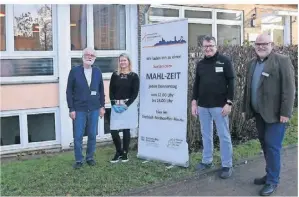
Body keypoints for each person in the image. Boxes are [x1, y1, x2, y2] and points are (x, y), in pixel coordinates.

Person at [242, 34, 295, 196]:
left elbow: (289, 89)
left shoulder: (282, 61)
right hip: (259, 114)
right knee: (265, 145)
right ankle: (269, 174)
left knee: (272, 147)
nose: (261, 46)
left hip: (276, 115)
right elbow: (248, 88)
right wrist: (246, 108)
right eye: (258, 44)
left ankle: (273, 181)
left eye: (265, 43)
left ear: (271, 44)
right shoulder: (251, 63)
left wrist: (285, 112)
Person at [191, 35, 235, 179]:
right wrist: (193, 101)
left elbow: (232, 82)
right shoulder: (200, 64)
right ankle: (207, 160)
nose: (208, 48)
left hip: (220, 106)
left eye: (211, 46)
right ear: (202, 48)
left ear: (216, 46)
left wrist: (229, 102)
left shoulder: (224, 61)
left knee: (223, 135)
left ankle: (227, 165)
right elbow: (196, 84)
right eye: (205, 46)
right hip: (203, 106)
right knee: (206, 134)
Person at [66, 47, 105, 169]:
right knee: (78, 136)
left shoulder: (97, 71)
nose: (89, 57)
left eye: (92, 55)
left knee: (92, 134)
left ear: (95, 58)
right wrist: (71, 108)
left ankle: (90, 157)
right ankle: (79, 159)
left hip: (94, 108)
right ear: (83, 56)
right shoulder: (74, 71)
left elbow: (101, 90)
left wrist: (102, 106)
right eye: (87, 55)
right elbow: (69, 91)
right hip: (79, 109)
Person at [109, 53, 139, 163]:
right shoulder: (115, 75)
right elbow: (111, 91)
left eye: (125, 60)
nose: (122, 62)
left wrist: (126, 105)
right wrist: (113, 104)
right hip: (116, 105)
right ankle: (118, 151)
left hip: (128, 106)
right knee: (113, 130)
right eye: (121, 60)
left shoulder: (134, 76)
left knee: (126, 129)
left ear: (128, 62)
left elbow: (135, 93)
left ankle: (125, 153)